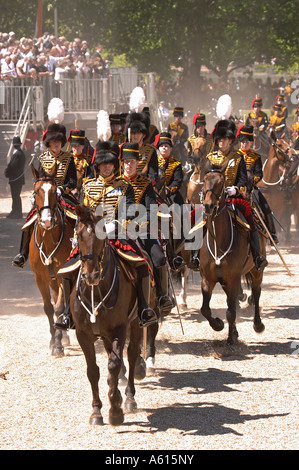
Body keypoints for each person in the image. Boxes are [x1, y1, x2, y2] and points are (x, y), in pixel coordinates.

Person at [55, 140, 158, 330]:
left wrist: (114, 225)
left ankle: (144, 309)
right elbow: (80, 212)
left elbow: (129, 212)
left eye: (110, 164)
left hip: (116, 233)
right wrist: (79, 232)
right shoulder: (87, 186)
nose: (107, 167)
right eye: (104, 164)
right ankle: (68, 315)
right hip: (91, 237)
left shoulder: (123, 187)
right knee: (67, 269)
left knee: (141, 263)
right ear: (98, 165)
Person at [12, 122, 77, 269]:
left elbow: (72, 182)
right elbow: (38, 179)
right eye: (53, 142)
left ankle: (78, 249)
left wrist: (61, 189)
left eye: (58, 142)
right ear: (49, 143)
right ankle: (22, 254)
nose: (56, 144)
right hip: (45, 195)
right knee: (29, 219)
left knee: (77, 217)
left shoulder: (68, 158)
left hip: (63, 195)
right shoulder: (42, 158)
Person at [205, 124, 268, 271]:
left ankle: (257, 255)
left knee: (251, 220)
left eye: (225, 139)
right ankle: (195, 256)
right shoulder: (210, 157)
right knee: (197, 220)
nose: (222, 141)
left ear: (230, 141)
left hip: (233, 197)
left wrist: (236, 189)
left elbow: (242, 179)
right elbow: (206, 177)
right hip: (214, 198)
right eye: (219, 139)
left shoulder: (238, 157)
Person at [121, 142, 174, 314]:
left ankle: (162, 295)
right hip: (119, 231)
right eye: (126, 162)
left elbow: (151, 209)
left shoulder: (145, 184)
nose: (129, 165)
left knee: (159, 258)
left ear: (137, 163)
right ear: (122, 163)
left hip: (142, 230)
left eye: (132, 162)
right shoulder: (115, 184)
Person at [236, 124, 278, 243]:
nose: (245, 144)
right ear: (240, 142)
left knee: (265, 207)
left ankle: (272, 233)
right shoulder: (234, 156)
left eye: (248, 141)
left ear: (251, 143)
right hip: (236, 189)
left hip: (251, 189)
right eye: (243, 141)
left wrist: (250, 184)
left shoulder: (256, 157)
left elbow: (259, 174)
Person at [126, 112, 158, 184]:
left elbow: (153, 173)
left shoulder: (150, 151)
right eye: (133, 133)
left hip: (143, 186)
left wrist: (150, 181)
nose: (135, 136)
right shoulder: (122, 149)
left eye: (138, 133)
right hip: (125, 186)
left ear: (143, 135)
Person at [4, 135, 25, 219]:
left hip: (16, 178)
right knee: (15, 195)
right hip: (17, 178)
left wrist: (7, 172)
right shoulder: (20, 153)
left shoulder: (17, 154)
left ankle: (17, 212)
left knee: (15, 195)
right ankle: (15, 211)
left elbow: (12, 166)